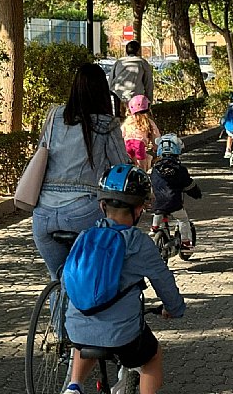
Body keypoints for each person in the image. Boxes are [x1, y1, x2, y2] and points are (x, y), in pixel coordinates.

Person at [63, 164, 186, 394]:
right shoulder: (139, 243)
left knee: (89, 329)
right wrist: (175, 309)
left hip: (76, 328)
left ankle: (74, 386)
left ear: (102, 205)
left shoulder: (84, 237)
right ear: (138, 210)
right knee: (152, 356)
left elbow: (67, 281)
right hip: (122, 335)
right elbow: (164, 282)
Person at [32, 63, 130, 281]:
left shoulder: (54, 115)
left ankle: (57, 309)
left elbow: (41, 151)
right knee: (96, 269)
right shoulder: (106, 124)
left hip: (42, 215)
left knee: (57, 277)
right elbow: (122, 166)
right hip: (83, 211)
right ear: (103, 92)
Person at [150, 133, 202, 251]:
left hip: (157, 203)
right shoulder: (180, 169)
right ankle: (185, 243)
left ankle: (154, 228)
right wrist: (196, 193)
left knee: (158, 211)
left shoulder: (155, 169)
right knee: (183, 219)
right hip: (174, 202)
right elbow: (188, 185)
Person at [109, 40, 154, 116]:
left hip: (118, 98)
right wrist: (149, 101)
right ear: (139, 50)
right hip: (136, 100)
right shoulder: (142, 63)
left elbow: (110, 81)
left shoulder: (119, 62)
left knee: (119, 123)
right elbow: (148, 84)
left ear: (126, 51)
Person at [120, 95, 161, 172]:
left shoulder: (127, 121)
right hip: (139, 145)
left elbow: (121, 134)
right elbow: (156, 137)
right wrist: (157, 148)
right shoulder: (148, 122)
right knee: (142, 167)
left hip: (127, 144)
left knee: (130, 165)